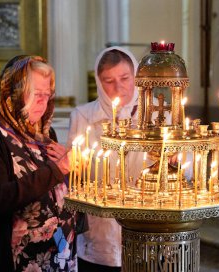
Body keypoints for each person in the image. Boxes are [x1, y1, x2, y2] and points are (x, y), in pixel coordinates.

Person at [0, 55, 77, 272]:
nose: (42, 103)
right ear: (13, 92)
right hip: (14, 261)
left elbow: (55, 187)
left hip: (59, 254)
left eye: (47, 95)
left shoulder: (43, 132)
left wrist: (71, 171)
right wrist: (57, 169)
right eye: (36, 95)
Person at [67, 47, 144, 272]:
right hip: (98, 230)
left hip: (145, 227)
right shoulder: (83, 116)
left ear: (136, 77)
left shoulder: (158, 116)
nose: (118, 87)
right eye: (108, 81)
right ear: (99, 83)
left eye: (124, 78)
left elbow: (182, 171)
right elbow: (74, 175)